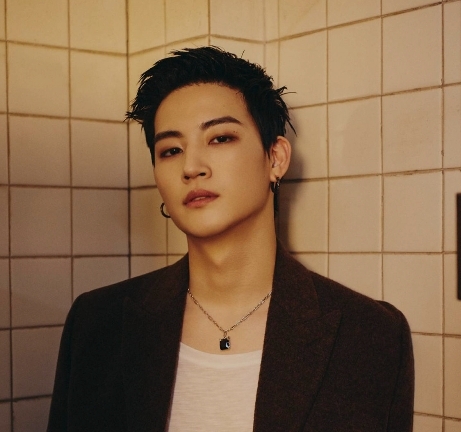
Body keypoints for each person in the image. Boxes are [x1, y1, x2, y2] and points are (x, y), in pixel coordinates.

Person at [47, 46, 414, 432]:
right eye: (171, 150)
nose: (191, 167)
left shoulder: (369, 334)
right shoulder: (97, 324)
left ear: (276, 158)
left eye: (220, 138)